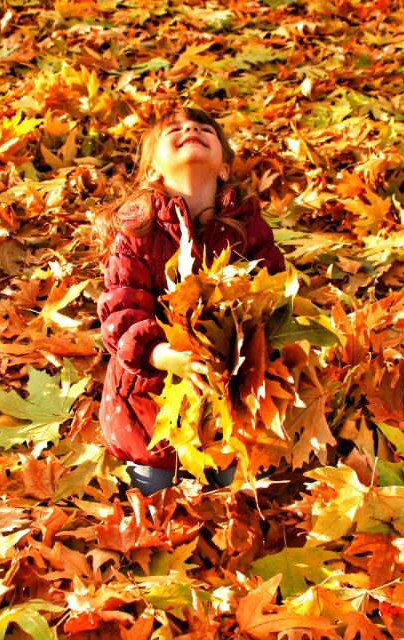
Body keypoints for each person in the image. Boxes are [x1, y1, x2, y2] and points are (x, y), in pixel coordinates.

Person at [94, 106, 285, 495]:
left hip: (230, 392)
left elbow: (273, 292)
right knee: (157, 489)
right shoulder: (138, 232)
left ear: (224, 169)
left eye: (202, 128)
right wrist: (160, 354)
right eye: (175, 129)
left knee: (243, 488)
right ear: (153, 172)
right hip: (149, 400)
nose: (191, 130)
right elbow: (120, 312)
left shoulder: (247, 227)